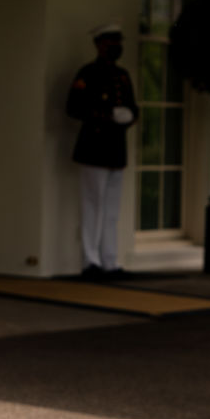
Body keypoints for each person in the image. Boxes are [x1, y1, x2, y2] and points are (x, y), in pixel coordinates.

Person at [66, 23, 138, 279]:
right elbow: (74, 108)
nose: (116, 47)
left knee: (111, 209)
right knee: (92, 205)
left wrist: (128, 116)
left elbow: (133, 108)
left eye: (118, 42)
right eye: (111, 42)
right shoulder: (88, 73)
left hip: (115, 150)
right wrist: (107, 115)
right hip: (93, 149)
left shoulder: (122, 75)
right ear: (99, 44)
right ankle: (90, 261)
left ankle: (110, 260)